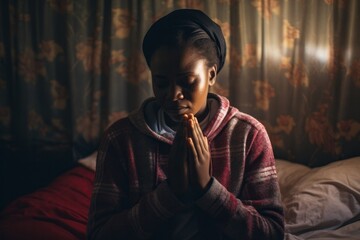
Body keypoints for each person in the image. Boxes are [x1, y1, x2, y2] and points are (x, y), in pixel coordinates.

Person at [87, 9, 284, 240]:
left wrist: (208, 189)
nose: (173, 95)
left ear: (211, 75)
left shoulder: (247, 136)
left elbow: (272, 233)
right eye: (160, 83)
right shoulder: (121, 139)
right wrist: (171, 194)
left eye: (187, 82)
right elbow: (98, 235)